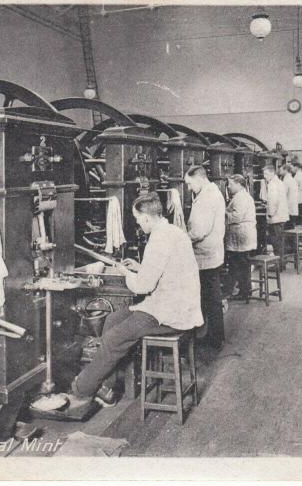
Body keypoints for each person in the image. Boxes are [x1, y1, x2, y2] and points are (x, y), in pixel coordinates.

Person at [68, 193, 203, 408]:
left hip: (170, 313)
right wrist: (140, 268)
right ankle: (107, 388)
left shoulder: (158, 240)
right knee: (112, 319)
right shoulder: (172, 232)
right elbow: (167, 270)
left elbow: (143, 286)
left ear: (147, 218)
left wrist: (125, 273)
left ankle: (81, 389)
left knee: (113, 339)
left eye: (138, 219)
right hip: (173, 303)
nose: (138, 224)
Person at [184, 165, 226, 349]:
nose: (188, 188)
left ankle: (214, 338)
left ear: (199, 179)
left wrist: (182, 238)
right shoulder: (211, 192)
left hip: (205, 254)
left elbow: (200, 231)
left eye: (189, 183)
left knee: (210, 297)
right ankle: (214, 334)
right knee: (212, 297)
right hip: (212, 252)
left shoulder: (207, 197)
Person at [224, 174, 257, 301]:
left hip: (241, 236)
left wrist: (224, 213)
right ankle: (244, 290)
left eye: (231, 184)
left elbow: (237, 217)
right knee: (242, 264)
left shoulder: (241, 197)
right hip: (242, 236)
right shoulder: (240, 196)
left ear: (238, 184)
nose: (228, 186)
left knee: (239, 264)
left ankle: (242, 291)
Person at [262, 165, 289, 264]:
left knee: (276, 241)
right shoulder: (278, 182)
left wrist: (270, 214)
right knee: (279, 240)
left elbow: (273, 201)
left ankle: (279, 264)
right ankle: (281, 262)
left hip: (276, 217)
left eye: (266, 174)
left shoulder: (272, 184)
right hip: (281, 216)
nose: (264, 176)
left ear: (272, 173)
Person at [282, 164, 300, 230]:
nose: (280, 171)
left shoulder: (287, 180)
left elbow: (283, 194)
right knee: (291, 226)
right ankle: (291, 239)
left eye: (281, 169)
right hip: (293, 207)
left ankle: (289, 240)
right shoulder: (292, 179)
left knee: (288, 228)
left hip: (289, 208)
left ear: (285, 170)